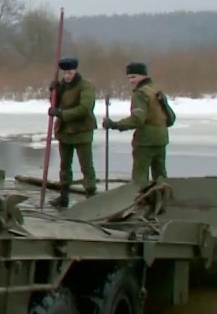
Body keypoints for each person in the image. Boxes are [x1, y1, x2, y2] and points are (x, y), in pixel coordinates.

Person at [102, 61, 176, 190]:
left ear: (143, 75)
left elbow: (137, 120)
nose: (131, 81)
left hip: (145, 140)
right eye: (129, 78)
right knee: (160, 175)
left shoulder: (140, 94)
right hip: (161, 138)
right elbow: (170, 118)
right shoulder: (155, 90)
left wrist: (115, 124)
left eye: (134, 77)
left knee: (140, 177)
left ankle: (139, 199)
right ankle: (163, 198)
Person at [47, 56, 98, 207]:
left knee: (86, 166)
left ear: (75, 71)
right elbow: (56, 103)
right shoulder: (62, 86)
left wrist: (62, 114)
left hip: (82, 131)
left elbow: (84, 108)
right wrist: (53, 92)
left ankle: (91, 196)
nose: (67, 76)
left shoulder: (86, 86)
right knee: (64, 166)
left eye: (70, 72)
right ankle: (64, 197)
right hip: (65, 132)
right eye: (65, 73)